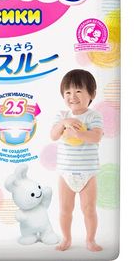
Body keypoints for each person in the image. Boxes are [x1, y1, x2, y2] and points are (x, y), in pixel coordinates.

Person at [50, 69, 104, 252]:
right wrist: (63, 123)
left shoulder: (93, 116)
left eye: (78, 91)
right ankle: (66, 239)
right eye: (68, 92)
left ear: (92, 94)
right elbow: (53, 135)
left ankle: (90, 240)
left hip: (88, 173)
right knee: (65, 210)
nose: (72, 96)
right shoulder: (62, 116)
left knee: (89, 209)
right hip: (65, 173)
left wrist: (78, 134)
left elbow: (96, 137)